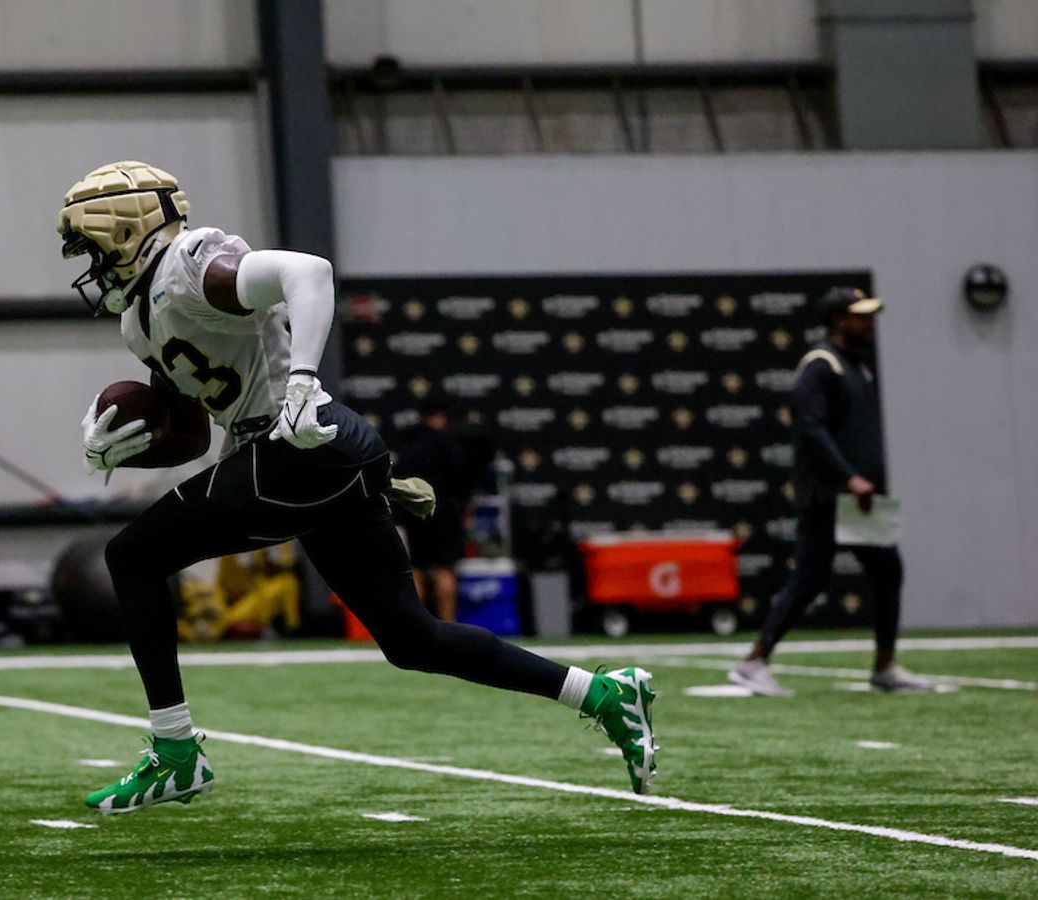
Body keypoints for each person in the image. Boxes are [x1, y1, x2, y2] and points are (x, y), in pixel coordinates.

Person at [59, 161, 658, 814]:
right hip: (297, 465)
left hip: (299, 448)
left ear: (125, 230)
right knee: (412, 639)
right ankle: (601, 694)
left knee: (132, 556)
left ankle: (176, 754)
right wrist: (121, 447)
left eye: (92, 247)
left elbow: (308, 272)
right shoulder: (140, 320)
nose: (89, 265)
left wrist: (304, 382)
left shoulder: (189, 266)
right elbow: (194, 438)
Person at [730, 288, 931, 696]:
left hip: (858, 498)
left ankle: (885, 666)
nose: (870, 323)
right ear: (839, 320)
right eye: (861, 316)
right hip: (829, 494)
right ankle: (754, 661)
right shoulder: (821, 365)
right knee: (810, 578)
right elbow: (810, 426)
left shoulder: (856, 366)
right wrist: (848, 477)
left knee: (887, 570)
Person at [394, 404, 472, 622]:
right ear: (439, 417)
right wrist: (464, 511)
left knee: (415, 570)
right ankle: (448, 627)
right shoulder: (448, 445)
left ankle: (417, 628)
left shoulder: (407, 444)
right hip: (444, 516)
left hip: (412, 514)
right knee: (444, 572)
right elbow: (462, 485)